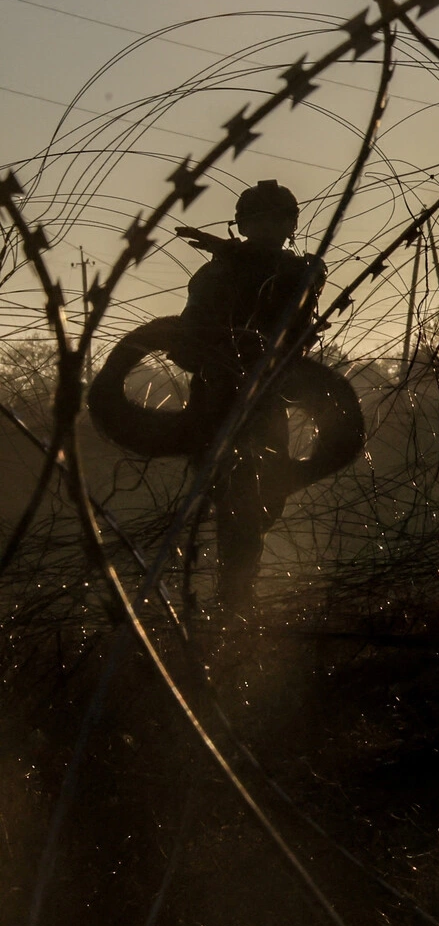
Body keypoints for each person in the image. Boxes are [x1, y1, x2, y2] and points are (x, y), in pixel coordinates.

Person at [174, 180, 327, 620]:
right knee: (235, 498)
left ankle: (237, 592)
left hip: (264, 399)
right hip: (221, 399)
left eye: (277, 220)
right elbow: (186, 345)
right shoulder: (218, 275)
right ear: (244, 225)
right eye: (261, 221)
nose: (271, 229)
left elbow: (297, 335)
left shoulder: (296, 273)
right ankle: (233, 596)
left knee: (264, 496)